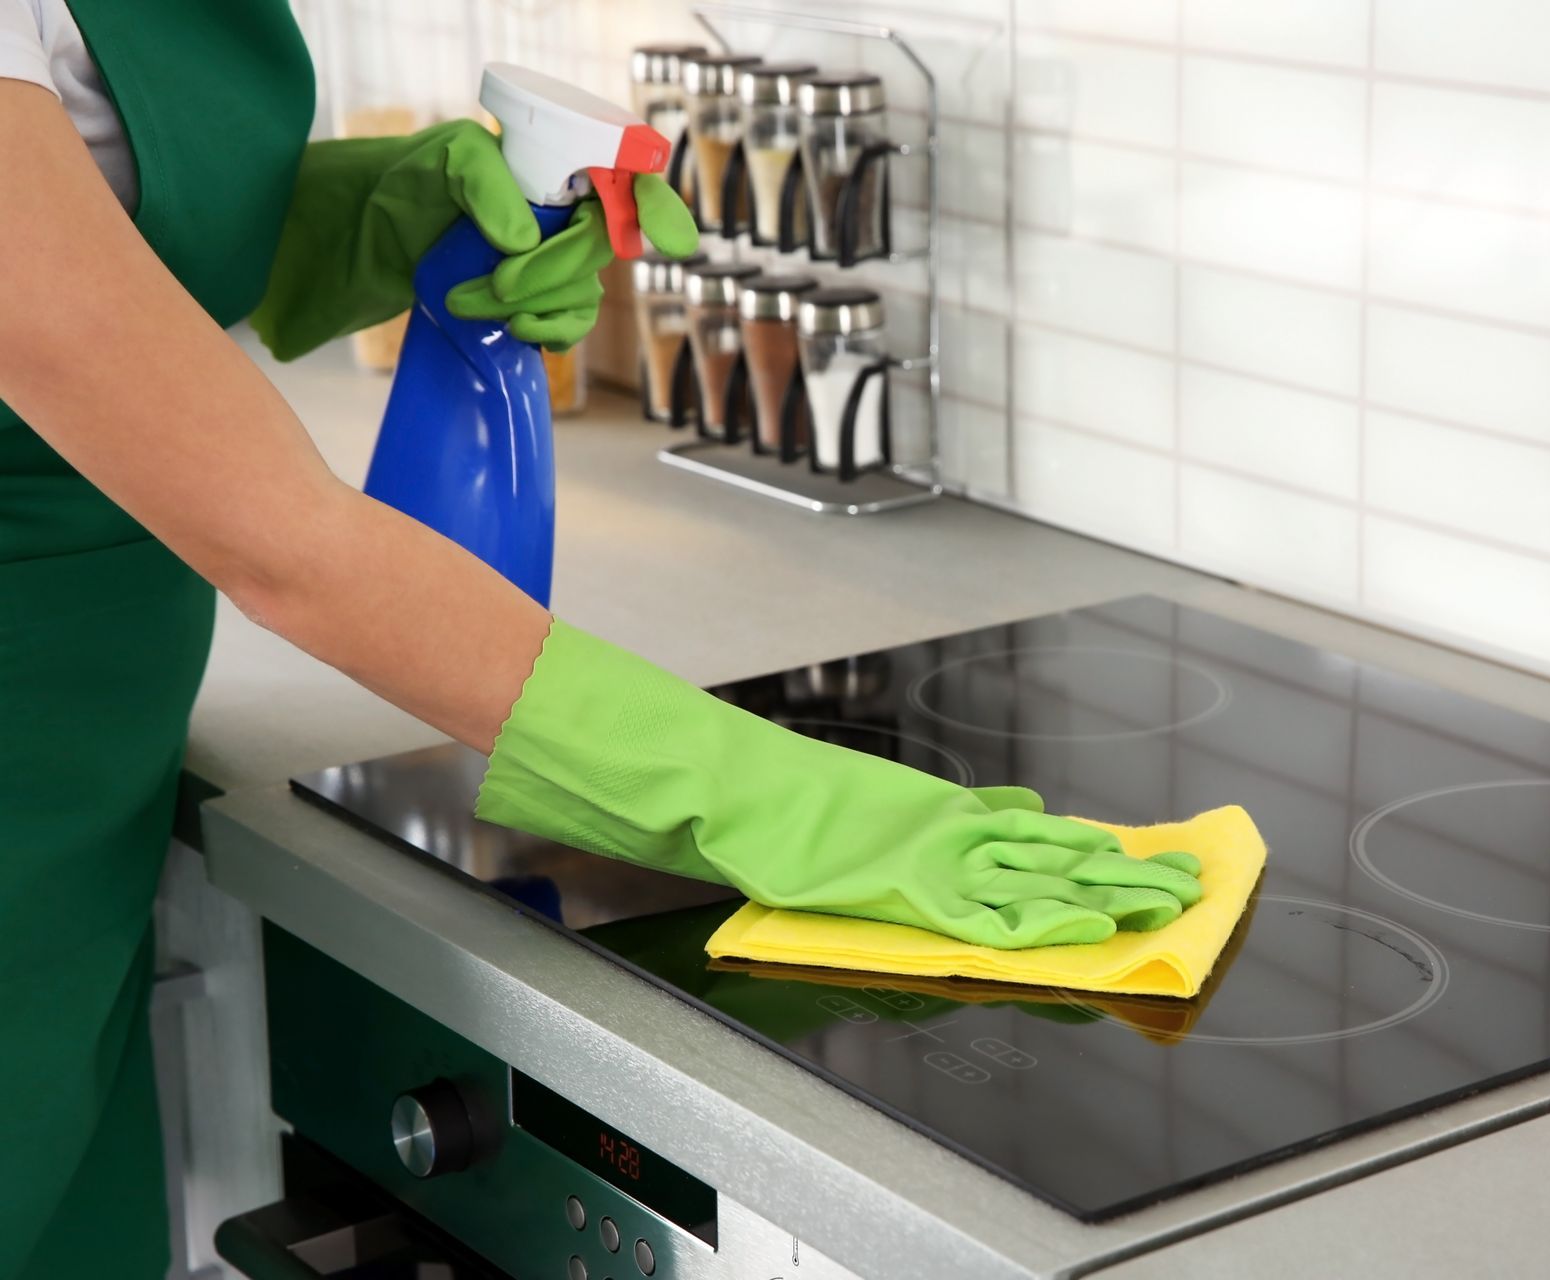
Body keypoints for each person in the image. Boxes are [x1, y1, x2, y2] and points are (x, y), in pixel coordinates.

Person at [0, 3, 1204, 1275]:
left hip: (87, 769)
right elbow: (284, 541)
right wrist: (761, 790)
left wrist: (380, 215)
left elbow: (87, 221)